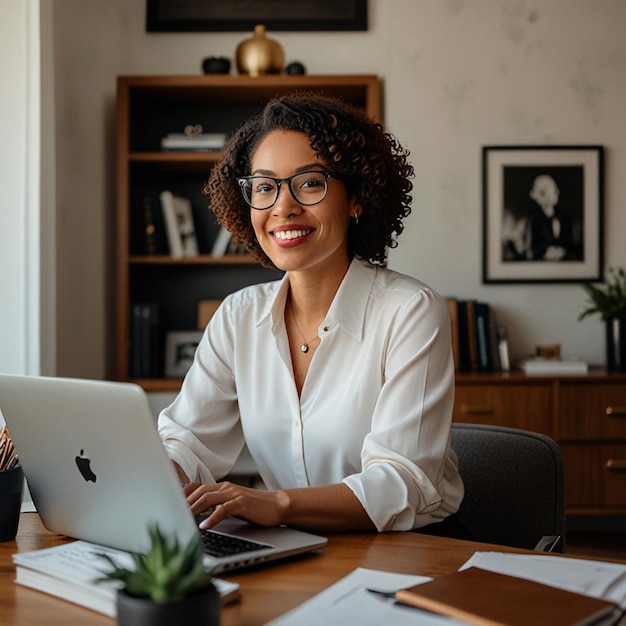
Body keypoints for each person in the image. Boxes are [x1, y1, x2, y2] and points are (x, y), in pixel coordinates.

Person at [157, 91, 464, 535]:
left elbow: (401, 482)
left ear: (356, 197)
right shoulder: (238, 317)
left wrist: (275, 503)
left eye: (310, 182)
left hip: (409, 550)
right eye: (264, 186)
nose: (283, 206)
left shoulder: (410, 311)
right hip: (296, 546)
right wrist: (162, 472)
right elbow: (188, 440)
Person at [524, 174, 579, 261]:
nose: (548, 197)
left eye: (551, 191)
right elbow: (529, 248)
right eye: (543, 193)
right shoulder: (533, 218)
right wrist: (545, 252)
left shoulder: (565, 218)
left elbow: (571, 245)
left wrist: (563, 251)